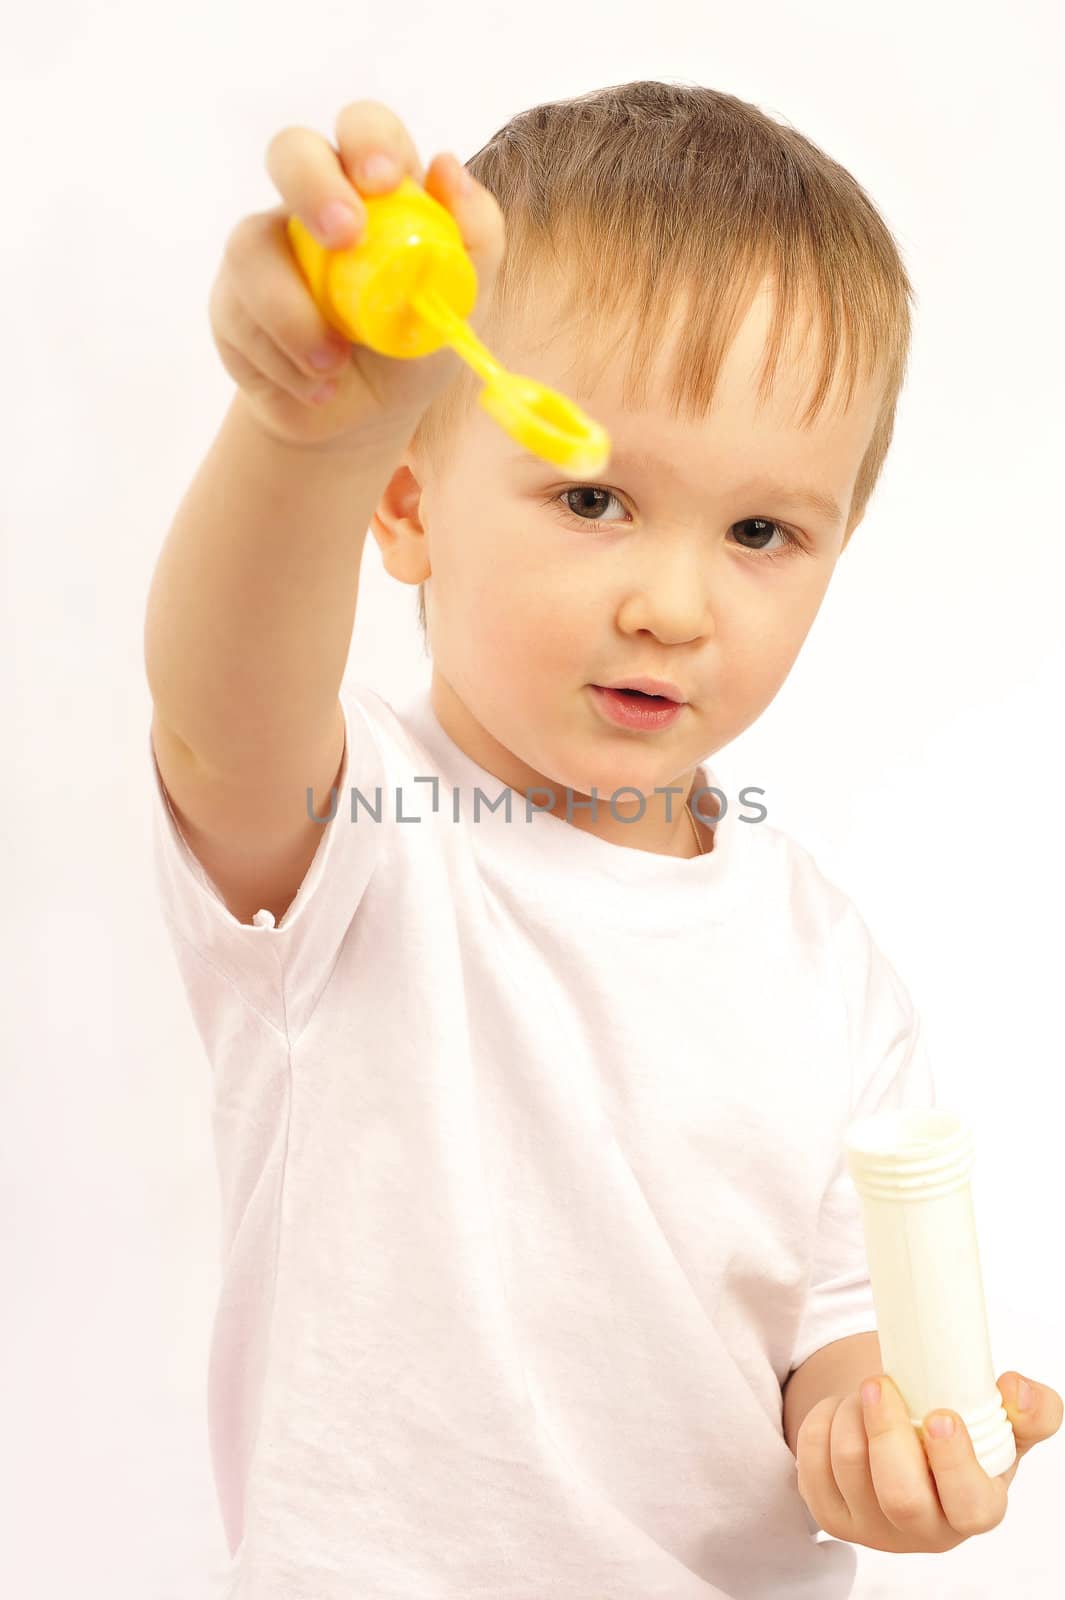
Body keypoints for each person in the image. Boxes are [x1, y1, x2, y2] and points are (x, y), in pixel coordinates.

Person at [143, 81, 1058, 1599]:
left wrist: (877, 1444)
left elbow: (836, 1337)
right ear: (406, 503)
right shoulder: (355, 842)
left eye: (760, 533)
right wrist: (301, 433)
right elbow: (214, 709)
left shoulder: (828, 974)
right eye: (592, 495)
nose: (675, 605)